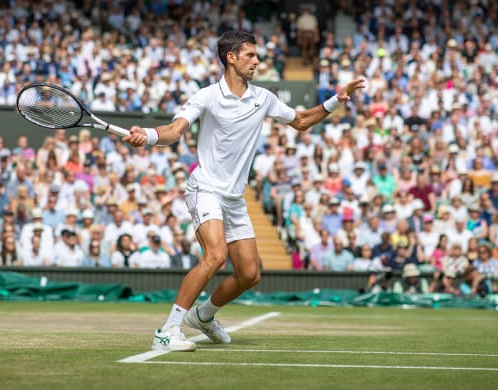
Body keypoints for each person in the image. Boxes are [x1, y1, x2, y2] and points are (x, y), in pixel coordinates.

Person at [123, 30, 364, 352]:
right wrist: (149, 135)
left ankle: (204, 317)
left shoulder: (262, 98)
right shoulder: (206, 96)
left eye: (257, 55)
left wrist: (337, 100)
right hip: (205, 187)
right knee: (215, 256)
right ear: (231, 58)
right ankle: (167, 331)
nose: (257, 61)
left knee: (250, 274)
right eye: (250, 55)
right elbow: (174, 131)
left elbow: (302, 120)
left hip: (234, 197)